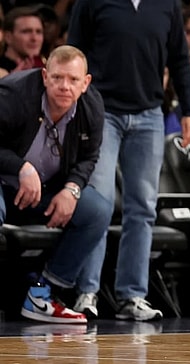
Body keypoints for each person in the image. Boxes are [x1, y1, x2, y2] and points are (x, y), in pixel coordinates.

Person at [67, 0, 190, 321]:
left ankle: (130, 296)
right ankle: (86, 292)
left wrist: (189, 111)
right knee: (100, 204)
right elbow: (75, 53)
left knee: (142, 207)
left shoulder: (168, 1)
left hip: (149, 114)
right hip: (101, 112)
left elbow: (179, 59)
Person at [0, 46, 112, 323]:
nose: (65, 86)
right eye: (58, 77)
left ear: (85, 83)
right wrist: (21, 167)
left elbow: (89, 157)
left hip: (45, 190)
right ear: (45, 76)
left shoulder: (92, 108)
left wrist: (72, 189)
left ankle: (42, 294)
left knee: (96, 211)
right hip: (4, 182)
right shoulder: (12, 95)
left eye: (73, 80)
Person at [0, 6, 46, 78]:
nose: (34, 38)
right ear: (8, 37)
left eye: (39, 32)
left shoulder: (44, 70)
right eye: (26, 31)